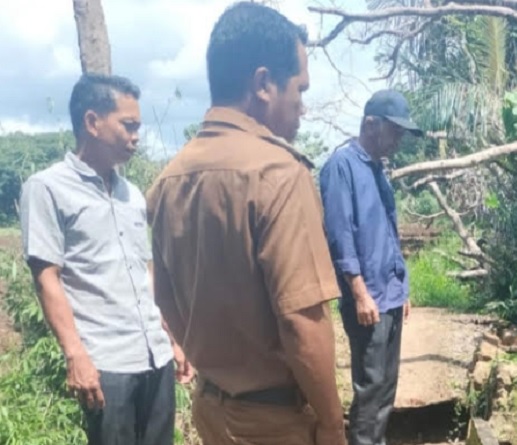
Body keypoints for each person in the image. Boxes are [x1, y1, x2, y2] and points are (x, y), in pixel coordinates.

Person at [145, 3, 346, 445]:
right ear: (263, 84)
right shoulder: (278, 174)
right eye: (300, 89)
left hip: (212, 409)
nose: (303, 108)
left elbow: (167, 301)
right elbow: (301, 322)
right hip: (276, 422)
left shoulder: (167, 181)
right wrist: (332, 425)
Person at [19, 73, 192, 445]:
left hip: (154, 356)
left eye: (138, 127)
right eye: (128, 125)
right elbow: (47, 277)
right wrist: (75, 355)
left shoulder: (131, 194)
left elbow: (145, 272)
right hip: (107, 364)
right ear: (93, 123)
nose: (136, 136)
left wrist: (171, 338)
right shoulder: (47, 188)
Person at [319, 90, 423, 445]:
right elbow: (340, 235)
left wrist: (402, 287)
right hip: (368, 303)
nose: (397, 141)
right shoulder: (341, 166)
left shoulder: (378, 169)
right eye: (394, 132)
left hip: (389, 296)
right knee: (370, 388)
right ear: (370, 124)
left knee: (386, 387)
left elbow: (389, 233)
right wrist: (360, 293)